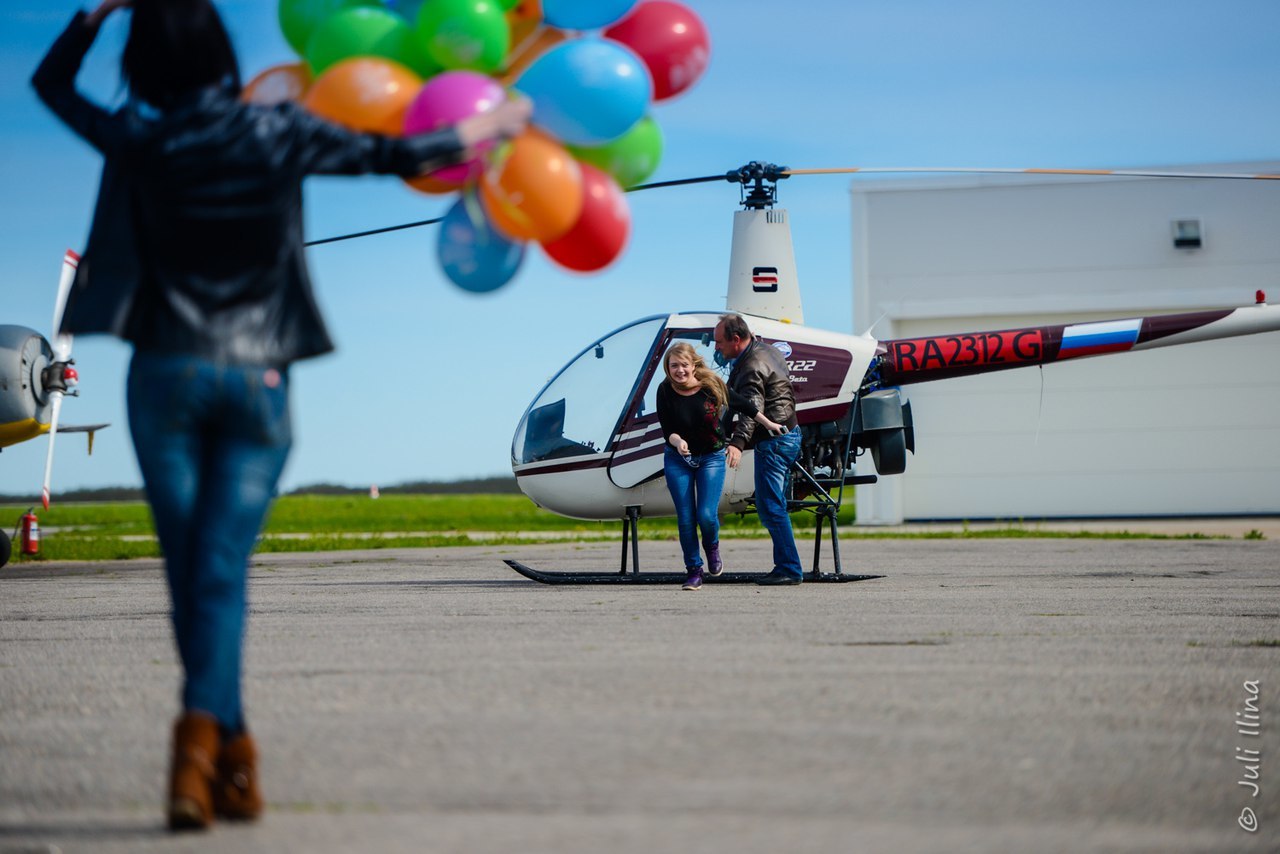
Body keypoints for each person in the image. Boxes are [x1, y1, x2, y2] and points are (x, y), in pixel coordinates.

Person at [32, 0, 531, 832]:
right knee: (220, 574)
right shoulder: (280, 130)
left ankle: (211, 755)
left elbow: (49, 85)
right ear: (223, 55)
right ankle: (220, 754)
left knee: (191, 577)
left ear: (147, 64)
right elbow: (394, 154)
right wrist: (498, 120)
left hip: (164, 375)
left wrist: (93, 14)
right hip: (259, 380)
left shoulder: (139, 139)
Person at [657, 342, 784, 590]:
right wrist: (678, 441)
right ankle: (694, 570)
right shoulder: (665, 390)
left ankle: (712, 546)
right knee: (685, 518)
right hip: (677, 459)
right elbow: (667, 429)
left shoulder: (712, 385)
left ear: (693, 365)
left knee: (705, 515)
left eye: (684, 365)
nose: (679, 371)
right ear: (667, 368)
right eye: (674, 366)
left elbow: (744, 405)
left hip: (711, 457)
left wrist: (769, 424)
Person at [714, 314, 804, 585]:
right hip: (791, 433)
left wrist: (737, 444)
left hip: (775, 441)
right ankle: (785, 566)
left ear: (736, 340)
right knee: (774, 505)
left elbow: (752, 411)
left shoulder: (751, 365)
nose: (716, 347)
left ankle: (789, 569)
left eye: (719, 342)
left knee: (770, 507)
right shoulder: (766, 349)